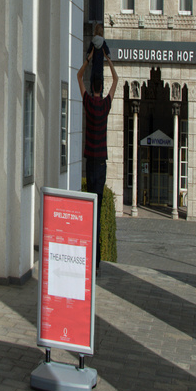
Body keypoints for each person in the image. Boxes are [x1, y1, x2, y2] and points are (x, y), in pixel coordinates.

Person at [77, 30, 118, 264]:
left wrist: (89, 58)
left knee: (89, 210)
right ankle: (97, 260)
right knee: (99, 211)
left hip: (89, 163)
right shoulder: (104, 106)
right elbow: (116, 80)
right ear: (101, 88)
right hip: (101, 164)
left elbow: (78, 77)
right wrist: (108, 58)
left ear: (91, 86)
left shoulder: (89, 105)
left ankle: (88, 256)